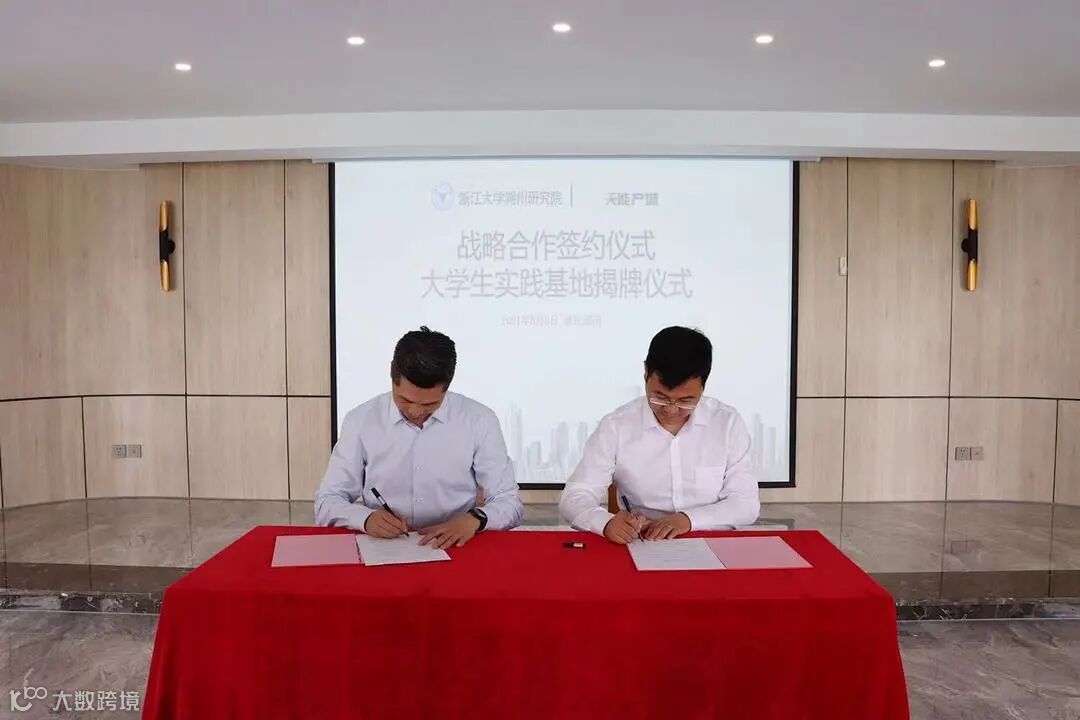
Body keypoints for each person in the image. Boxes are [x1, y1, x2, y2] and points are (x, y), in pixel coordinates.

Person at [315, 326, 522, 548]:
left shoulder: (479, 420)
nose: (415, 412)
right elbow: (328, 500)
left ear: (446, 388)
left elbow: (509, 502)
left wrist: (475, 519)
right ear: (392, 377)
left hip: (457, 545)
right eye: (404, 400)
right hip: (384, 547)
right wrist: (365, 519)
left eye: (430, 404)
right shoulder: (360, 420)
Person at [559, 326, 759, 544]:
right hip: (643, 541)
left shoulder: (726, 423)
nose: (671, 410)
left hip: (711, 540)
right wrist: (605, 522)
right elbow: (575, 496)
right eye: (660, 397)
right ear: (645, 373)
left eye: (685, 401)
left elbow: (745, 504)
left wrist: (687, 520)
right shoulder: (616, 426)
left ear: (704, 384)